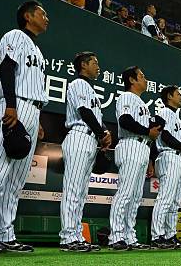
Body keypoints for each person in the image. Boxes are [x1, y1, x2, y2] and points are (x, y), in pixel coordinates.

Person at [0, 0, 49, 252]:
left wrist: (37, 121)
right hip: (14, 105)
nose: (46, 18)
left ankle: (6, 233)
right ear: (28, 16)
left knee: (16, 179)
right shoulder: (15, 35)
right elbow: (6, 68)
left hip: (32, 110)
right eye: (42, 13)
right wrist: (10, 104)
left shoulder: (37, 50)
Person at [59, 52, 111, 252]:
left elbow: (94, 115)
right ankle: (68, 237)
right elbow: (85, 112)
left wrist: (103, 134)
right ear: (83, 65)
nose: (98, 66)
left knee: (80, 193)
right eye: (95, 63)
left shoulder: (90, 88)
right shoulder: (78, 84)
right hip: (80, 136)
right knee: (73, 190)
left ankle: (76, 235)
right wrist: (102, 133)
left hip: (89, 139)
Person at [109, 66, 161, 250]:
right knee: (125, 193)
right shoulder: (126, 97)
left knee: (136, 196)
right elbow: (125, 120)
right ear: (132, 80)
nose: (145, 79)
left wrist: (149, 159)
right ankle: (116, 236)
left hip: (142, 148)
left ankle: (129, 236)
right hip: (130, 144)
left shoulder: (141, 103)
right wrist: (148, 131)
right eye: (142, 76)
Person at [150, 86, 181, 249]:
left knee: (175, 201)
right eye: (177, 94)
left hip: (178, 158)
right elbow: (165, 136)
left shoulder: (176, 117)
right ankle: (157, 235)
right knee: (165, 198)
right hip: (168, 155)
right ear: (169, 96)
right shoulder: (163, 112)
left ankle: (169, 235)